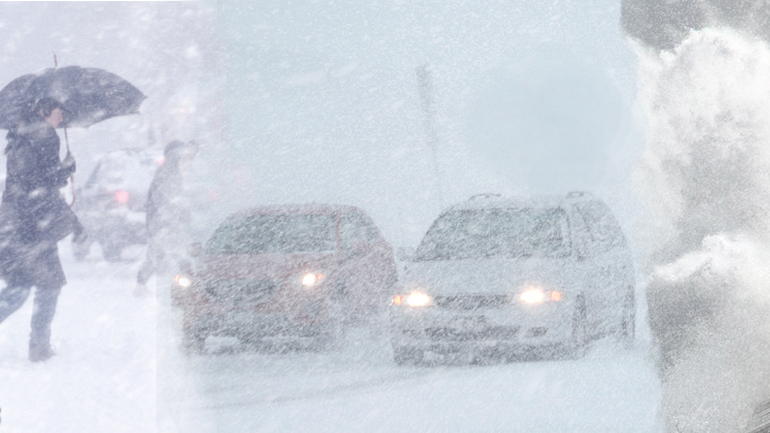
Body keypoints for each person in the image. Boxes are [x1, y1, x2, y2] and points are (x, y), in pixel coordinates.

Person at [0, 97, 86, 362]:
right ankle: (38, 346)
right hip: (32, 226)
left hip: (17, 222)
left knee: (27, 285)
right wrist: (65, 169)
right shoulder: (44, 135)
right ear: (45, 110)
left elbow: (33, 180)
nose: (62, 117)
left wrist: (60, 171)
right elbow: (42, 186)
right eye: (59, 111)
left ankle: (39, 345)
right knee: (35, 286)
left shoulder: (21, 134)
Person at [135, 140, 198, 297]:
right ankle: (188, 286)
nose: (184, 156)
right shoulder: (168, 172)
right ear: (174, 154)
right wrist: (181, 211)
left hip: (163, 224)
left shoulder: (169, 171)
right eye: (181, 153)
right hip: (166, 224)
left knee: (157, 256)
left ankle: (141, 285)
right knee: (178, 254)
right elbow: (167, 200)